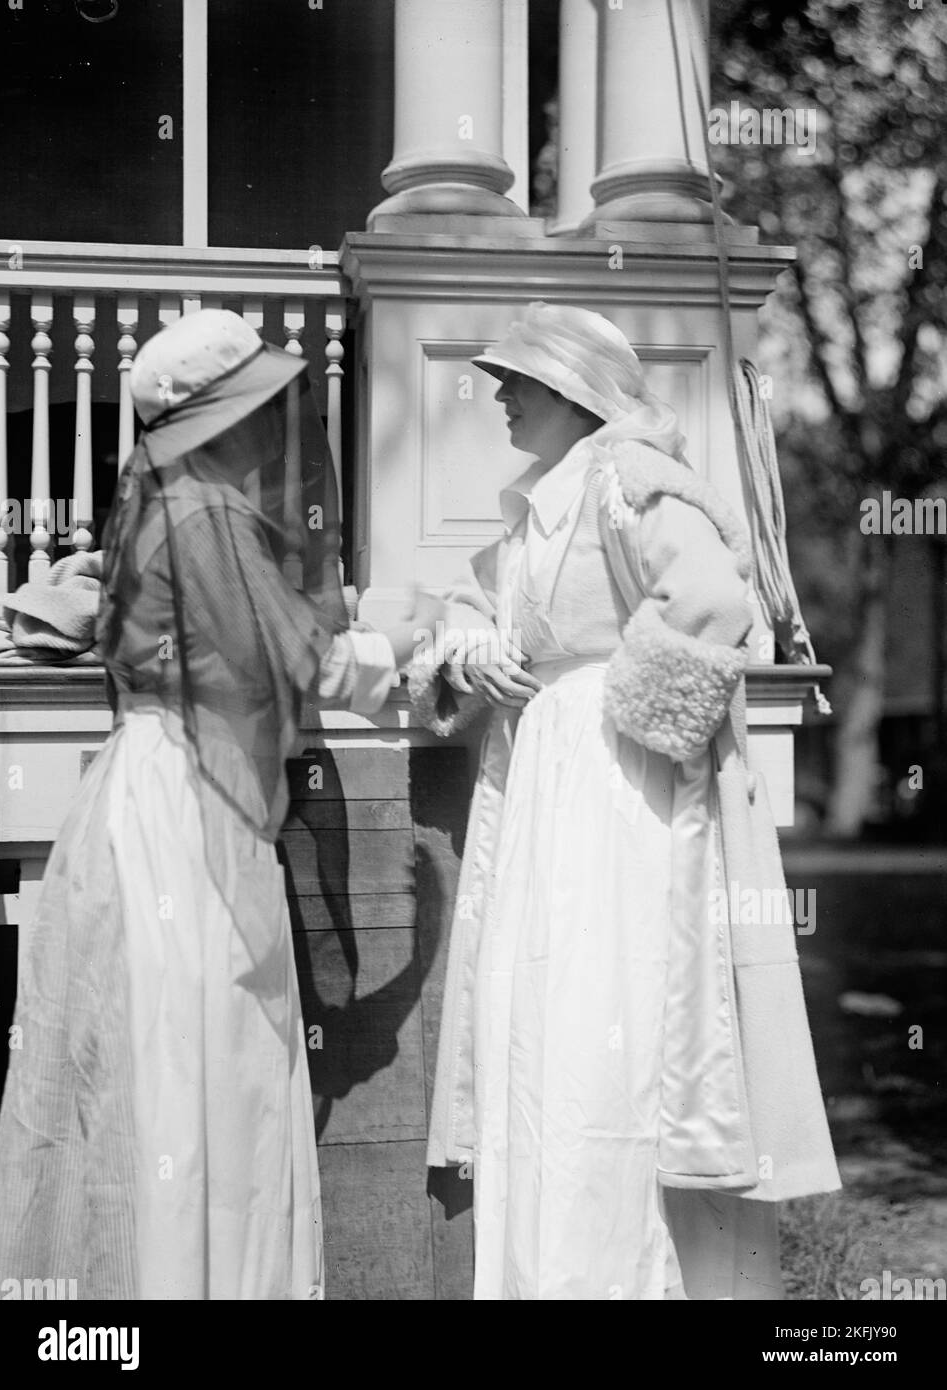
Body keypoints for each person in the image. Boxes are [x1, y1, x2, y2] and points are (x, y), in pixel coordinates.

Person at [0, 309, 439, 1300]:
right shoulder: (205, 512)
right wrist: (409, 641)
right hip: (178, 819)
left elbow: (261, 619)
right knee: (190, 1062)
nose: (277, 425)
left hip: (155, 795)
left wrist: (356, 613)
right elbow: (290, 661)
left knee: (179, 1060)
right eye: (260, 406)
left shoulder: (174, 505)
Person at [413, 301, 840, 1301]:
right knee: (538, 1022)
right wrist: (472, 657)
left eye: (520, 379)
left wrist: (617, 705)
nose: (501, 395)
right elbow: (468, 608)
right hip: (539, 791)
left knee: (613, 1023)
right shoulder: (537, 505)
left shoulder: (631, 483)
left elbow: (711, 601)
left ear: (574, 392)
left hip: (623, 793)